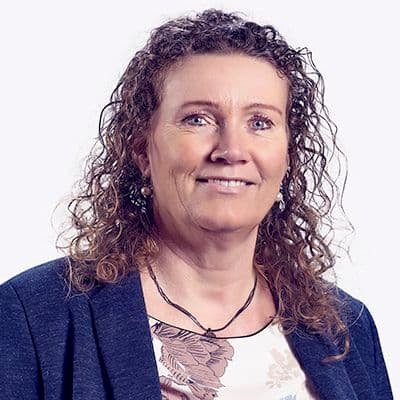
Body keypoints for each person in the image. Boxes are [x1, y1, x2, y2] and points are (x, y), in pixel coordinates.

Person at [0, 8, 393, 400]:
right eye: (198, 119)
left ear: (288, 156)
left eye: (260, 122)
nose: (232, 150)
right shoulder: (33, 317)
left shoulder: (346, 328)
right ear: (142, 149)